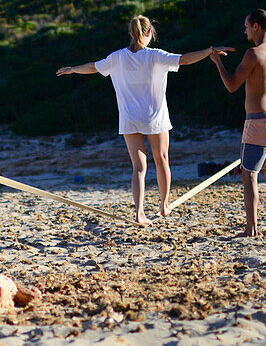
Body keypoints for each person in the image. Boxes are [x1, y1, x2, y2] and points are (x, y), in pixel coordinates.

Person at [57, 15, 231, 225]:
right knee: (162, 161)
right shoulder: (155, 55)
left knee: (138, 168)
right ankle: (164, 205)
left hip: (130, 119)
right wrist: (209, 51)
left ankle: (139, 213)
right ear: (149, 33)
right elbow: (184, 59)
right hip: (154, 118)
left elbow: (93, 67)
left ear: (131, 33)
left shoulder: (117, 57)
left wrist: (72, 69)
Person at [210, 8, 266, 236]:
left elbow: (232, 85)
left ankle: (251, 228)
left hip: (259, 121)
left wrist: (217, 62)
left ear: (256, 26)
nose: (244, 31)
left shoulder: (253, 54)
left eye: (246, 26)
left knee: (249, 173)